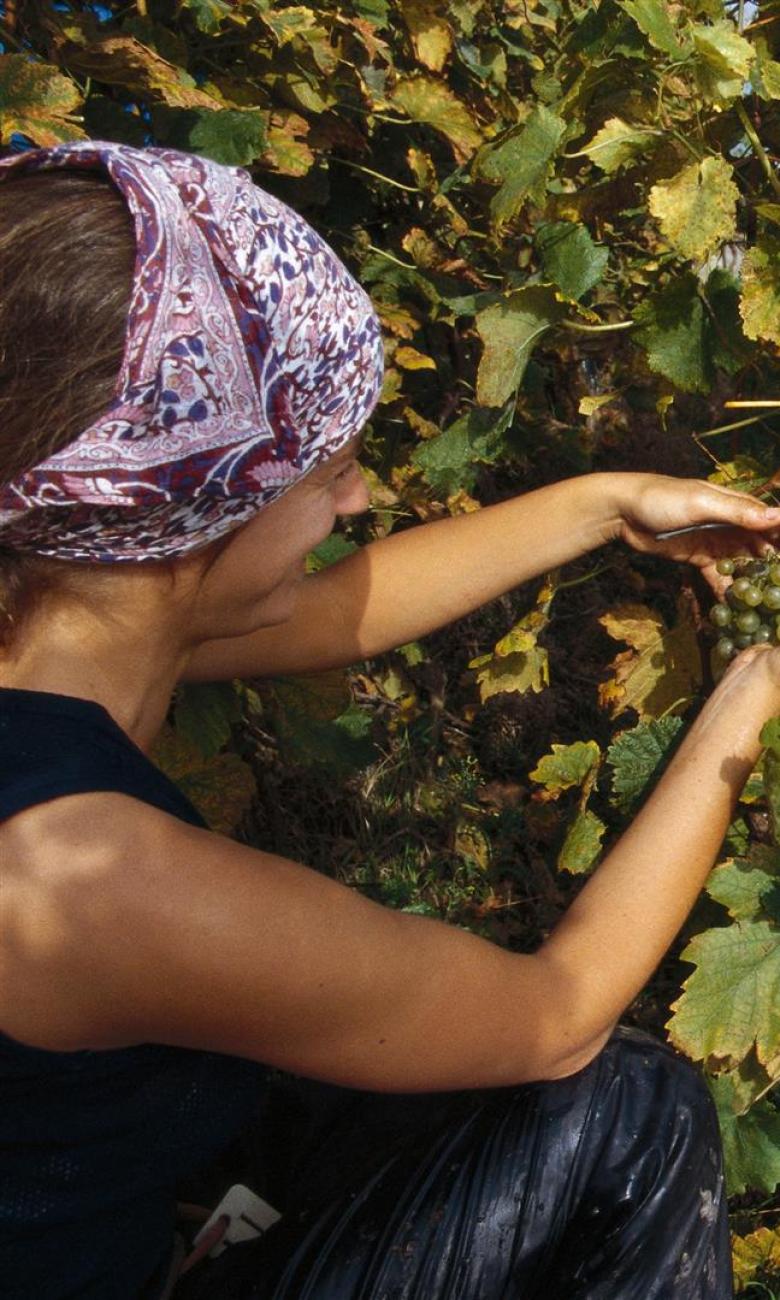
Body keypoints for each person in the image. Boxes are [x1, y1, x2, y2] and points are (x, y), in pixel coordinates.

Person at [0, 141, 778, 1300]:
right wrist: (754, 689)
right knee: (623, 1110)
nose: (358, 496)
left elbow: (322, 619)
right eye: (325, 471)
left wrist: (607, 505)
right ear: (204, 504)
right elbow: (553, 1016)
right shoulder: (91, 885)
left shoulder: (61, 607)